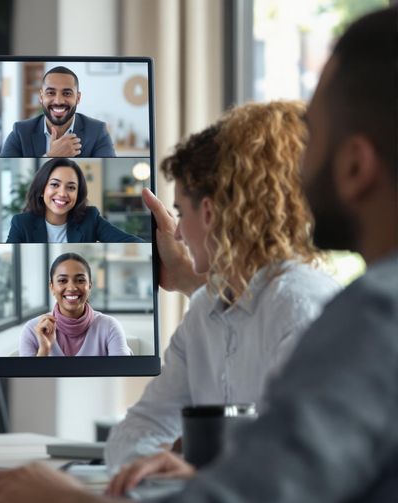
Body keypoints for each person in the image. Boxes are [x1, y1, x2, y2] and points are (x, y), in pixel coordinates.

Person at [0, 7, 397, 503]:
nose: (295, 176)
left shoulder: (365, 317)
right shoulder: (346, 311)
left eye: (314, 136)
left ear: (355, 164)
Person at [102, 100, 341, 471]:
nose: (177, 232)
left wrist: (193, 469)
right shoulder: (204, 311)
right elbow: (129, 438)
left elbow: (296, 472)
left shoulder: (300, 309)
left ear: (210, 213)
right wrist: (178, 464)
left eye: (181, 212)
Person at [20, 253, 132, 357]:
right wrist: (44, 349)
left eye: (80, 280)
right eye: (63, 280)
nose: (72, 288)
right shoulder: (32, 329)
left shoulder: (109, 326)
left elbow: (122, 376)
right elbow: (27, 378)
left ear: (90, 286)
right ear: (52, 287)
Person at [6, 158, 143, 243]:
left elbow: (131, 241)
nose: (62, 193)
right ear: (42, 189)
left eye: (71, 187)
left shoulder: (90, 218)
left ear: (78, 193)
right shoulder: (21, 223)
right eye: (55, 184)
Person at [0, 66, 116, 158]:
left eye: (67, 93)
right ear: (41, 97)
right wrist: (50, 157)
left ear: (78, 98)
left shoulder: (98, 131)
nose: (58, 101)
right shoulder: (20, 132)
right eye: (51, 93)